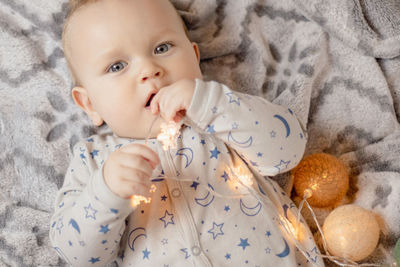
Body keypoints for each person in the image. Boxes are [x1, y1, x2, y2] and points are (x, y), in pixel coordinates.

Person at [49, 0, 324, 266]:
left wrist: (209, 102)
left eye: (162, 47)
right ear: (89, 104)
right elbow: (78, 256)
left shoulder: (219, 116)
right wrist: (106, 192)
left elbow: (287, 152)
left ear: (194, 57)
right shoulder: (93, 161)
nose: (149, 70)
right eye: (117, 66)